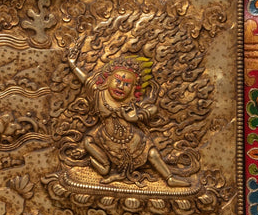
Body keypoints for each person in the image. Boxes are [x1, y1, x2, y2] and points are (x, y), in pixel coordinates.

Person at [68, 53, 191, 188]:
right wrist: (73, 65)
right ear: (108, 80)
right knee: (90, 145)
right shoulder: (100, 94)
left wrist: (136, 117)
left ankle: (169, 178)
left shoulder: (130, 102)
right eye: (118, 81)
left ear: (133, 89)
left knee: (152, 153)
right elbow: (85, 79)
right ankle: (98, 164)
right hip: (105, 137)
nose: (121, 86)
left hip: (133, 138)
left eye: (127, 84)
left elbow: (153, 109)